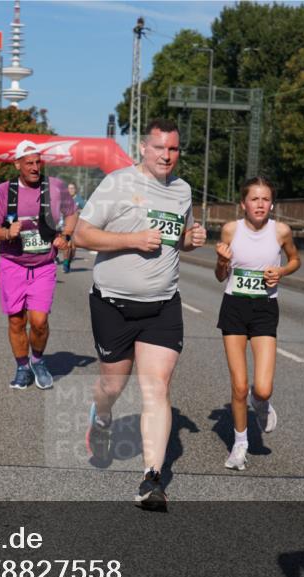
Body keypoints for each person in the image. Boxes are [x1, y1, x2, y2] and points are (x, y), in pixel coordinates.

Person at [74, 118, 207, 511]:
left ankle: (152, 479)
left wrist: (192, 239)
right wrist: (132, 239)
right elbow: (82, 235)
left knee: (157, 387)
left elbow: (178, 237)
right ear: (143, 149)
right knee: (112, 386)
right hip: (113, 304)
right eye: (159, 148)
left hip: (162, 305)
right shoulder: (117, 183)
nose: (167, 156)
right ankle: (101, 418)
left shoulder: (182, 190)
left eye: (174, 149)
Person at [214, 176, 301, 471]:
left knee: (262, 388)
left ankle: (261, 404)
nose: (260, 204)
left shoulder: (281, 231)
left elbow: (295, 259)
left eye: (265, 199)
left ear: (272, 204)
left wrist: (281, 271)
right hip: (234, 307)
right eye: (254, 199)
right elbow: (220, 275)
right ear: (243, 204)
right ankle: (240, 444)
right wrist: (222, 261)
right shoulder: (231, 230)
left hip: (265, 308)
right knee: (239, 385)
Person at [0, 140, 77, 390]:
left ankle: (37, 360)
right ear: (18, 165)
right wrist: (7, 233)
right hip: (13, 264)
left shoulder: (55, 187)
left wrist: (65, 235)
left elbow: (71, 213)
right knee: (16, 320)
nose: (35, 168)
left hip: (43, 265)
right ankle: (22, 367)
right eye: (29, 163)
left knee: (39, 321)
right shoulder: (5, 190)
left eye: (38, 162)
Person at [62, 182, 86, 273]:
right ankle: (65, 263)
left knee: (73, 248)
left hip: (76, 227)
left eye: (72, 188)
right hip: (66, 226)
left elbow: (86, 210)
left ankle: (68, 261)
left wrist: (79, 211)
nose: (70, 190)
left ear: (75, 189)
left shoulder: (79, 200)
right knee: (66, 245)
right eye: (69, 188)